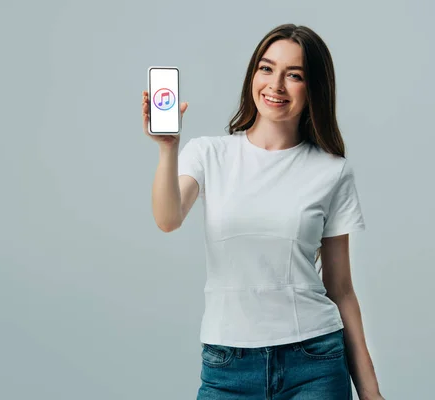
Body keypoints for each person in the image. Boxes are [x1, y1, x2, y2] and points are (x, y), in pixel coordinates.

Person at [142, 23, 384, 400]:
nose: (276, 85)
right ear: (253, 74)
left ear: (314, 87)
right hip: (227, 368)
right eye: (267, 68)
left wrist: (371, 392)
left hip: (315, 363)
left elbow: (341, 288)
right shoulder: (208, 154)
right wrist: (167, 148)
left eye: (295, 75)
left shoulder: (332, 171)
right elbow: (168, 218)